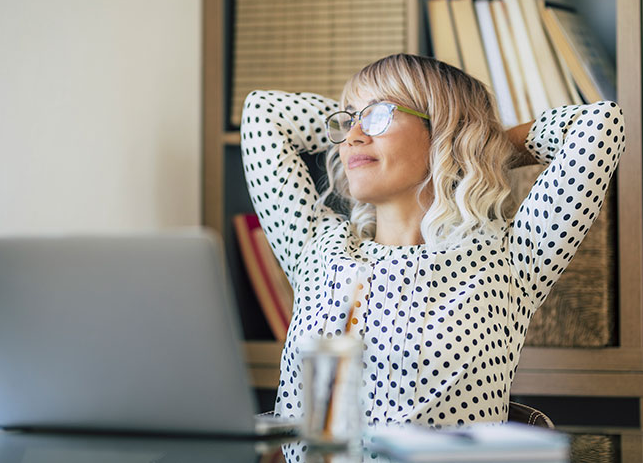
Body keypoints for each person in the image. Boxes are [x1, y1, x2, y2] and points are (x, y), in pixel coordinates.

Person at [240, 53, 625, 428]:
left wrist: (471, 147)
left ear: (442, 130)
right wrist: (388, 127)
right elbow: (262, 113)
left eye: (376, 115)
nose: (351, 137)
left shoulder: (510, 260)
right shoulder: (317, 248)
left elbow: (600, 124)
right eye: (349, 120)